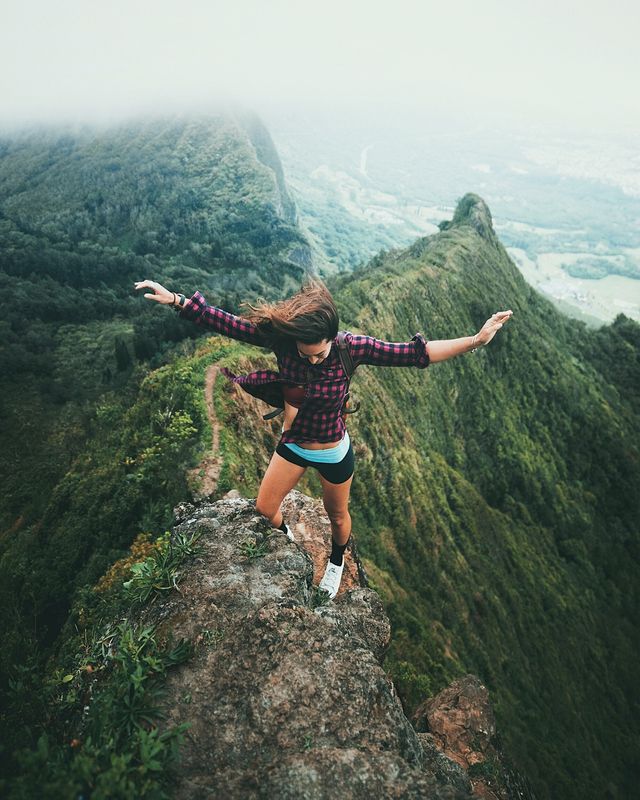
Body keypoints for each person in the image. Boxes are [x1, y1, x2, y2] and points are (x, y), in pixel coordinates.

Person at [134, 277, 513, 599]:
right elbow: (231, 324)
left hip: (333, 450)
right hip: (295, 445)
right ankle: (289, 542)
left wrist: (476, 339)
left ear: (333, 338)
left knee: (337, 515)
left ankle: (335, 562)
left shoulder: (353, 348)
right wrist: (178, 301)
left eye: (320, 354)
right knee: (265, 509)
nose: (313, 360)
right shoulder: (285, 342)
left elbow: (416, 354)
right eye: (306, 354)